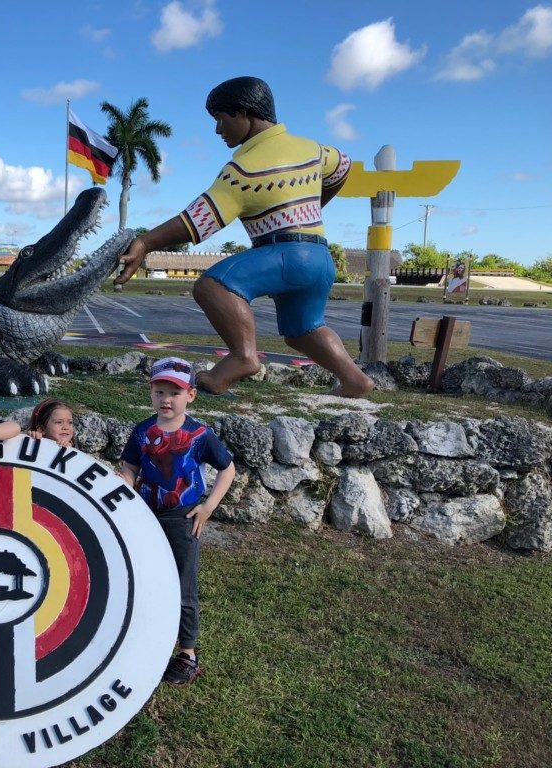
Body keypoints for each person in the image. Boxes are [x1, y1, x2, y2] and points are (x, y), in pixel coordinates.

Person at [116, 76, 374, 399]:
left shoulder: (243, 170)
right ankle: (354, 380)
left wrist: (145, 242)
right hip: (321, 259)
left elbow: (197, 221)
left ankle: (242, 357)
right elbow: (342, 168)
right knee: (303, 330)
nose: (218, 130)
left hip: (284, 255)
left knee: (213, 286)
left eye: (221, 120)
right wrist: (315, 206)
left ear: (244, 113)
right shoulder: (314, 149)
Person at [119, 356, 236, 685]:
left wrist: (208, 506)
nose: (166, 399)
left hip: (182, 517)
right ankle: (150, 638)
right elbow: (130, 468)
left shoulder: (199, 434)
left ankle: (187, 653)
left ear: (191, 395)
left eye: (175, 392)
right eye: (160, 392)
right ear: (151, 392)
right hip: (144, 515)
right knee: (144, 578)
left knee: (183, 585)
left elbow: (227, 469)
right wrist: (125, 481)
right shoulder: (142, 431)